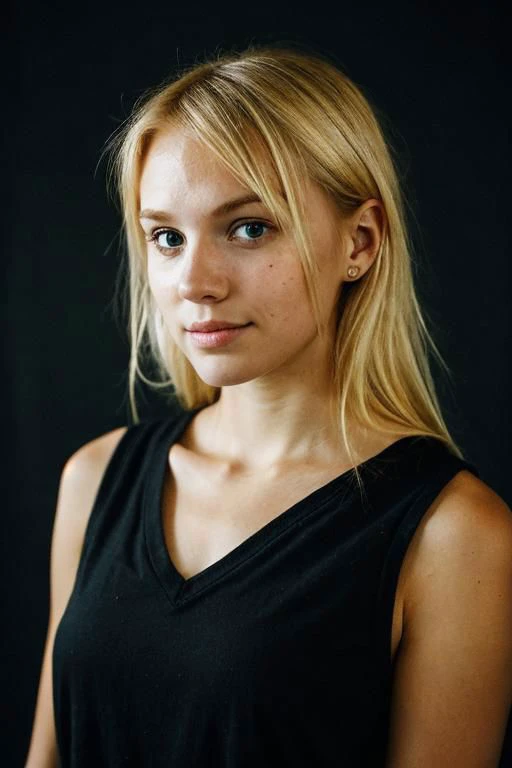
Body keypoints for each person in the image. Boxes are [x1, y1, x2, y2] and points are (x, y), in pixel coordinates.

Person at [26, 44, 512, 767]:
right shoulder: (95, 481)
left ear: (361, 241)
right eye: (166, 236)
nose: (195, 281)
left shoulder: (452, 535)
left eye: (249, 227)